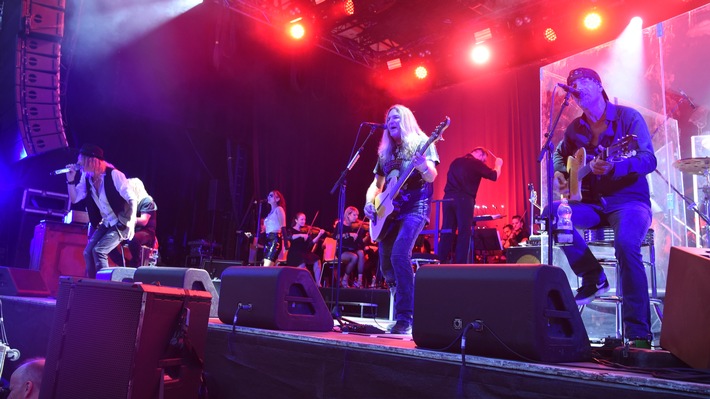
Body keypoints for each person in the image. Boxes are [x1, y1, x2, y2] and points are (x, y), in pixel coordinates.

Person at [550, 67, 656, 347]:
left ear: (598, 85)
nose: (576, 89)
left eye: (582, 82)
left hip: (630, 202)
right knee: (553, 213)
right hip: (593, 206)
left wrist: (615, 167)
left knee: (625, 244)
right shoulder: (575, 129)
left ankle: (638, 333)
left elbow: (648, 160)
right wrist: (563, 175)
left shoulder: (628, 118)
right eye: (572, 85)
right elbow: (560, 158)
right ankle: (593, 276)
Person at [364, 104, 440, 334]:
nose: (391, 120)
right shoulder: (385, 153)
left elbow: (431, 176)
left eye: (396, 116)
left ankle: (406, 318)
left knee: (399, 254)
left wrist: (422, 166)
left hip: (416, 207)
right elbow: (376, 185)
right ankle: (402, 298)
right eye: (388, 117)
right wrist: (370, 203)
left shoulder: (421, 142)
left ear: (405, 119)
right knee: (386, 262)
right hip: (389, 212)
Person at [66, 144, 137, 278]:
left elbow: (132, 199)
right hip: (107, 222)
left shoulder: (114, 175)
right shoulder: (86, 177)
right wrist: (70, 181)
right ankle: (93, 286)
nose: (79, 163)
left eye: (81, 160)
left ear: (91, 161)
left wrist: (131, 224)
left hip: (122, 221)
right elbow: (75, 199)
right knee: (88, 252)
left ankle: (104, 287)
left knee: (99, 251)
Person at [438, 147, 503, 264]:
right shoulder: (475, 163)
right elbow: (494, 176)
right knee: (464, 232)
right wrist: (498, 165)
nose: (483, 163)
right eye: (484, 160)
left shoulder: (455, 161)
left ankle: (440, 262)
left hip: (447, 199)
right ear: (479, 154)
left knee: (447, 230)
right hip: (464, 200)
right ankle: (460, 265)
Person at [109, 178, 158, 267]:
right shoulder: (129, 203)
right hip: (132, 231)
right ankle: (125, 264)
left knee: (133, 239)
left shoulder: (147, 201)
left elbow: (144, 221)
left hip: (147, 233)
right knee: (109, 241)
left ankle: (136, 264)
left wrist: (129, 220)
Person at [287, 212, 326, 285]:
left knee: (317, 260)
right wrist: (301, 235)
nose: (304, 221)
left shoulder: (306, 231)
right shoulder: (291, 230)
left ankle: (318, 283)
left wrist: (319, 235)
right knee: (305, 271)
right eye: (301, 219)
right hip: (295, 254)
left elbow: (311, 244)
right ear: (296, 220)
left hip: (304, 253)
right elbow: (289, 237)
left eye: (304, 219)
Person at [334, 206, 367, 288]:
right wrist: (349, 234)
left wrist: (368, 236)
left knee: (361, 253)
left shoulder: (356, 227)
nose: (356, 217)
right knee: (354, 257)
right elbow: (335, 236)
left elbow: (360, 242)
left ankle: (360, 281)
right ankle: (344, 279)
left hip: (353, 249)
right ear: (348, 215)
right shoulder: (340, 224)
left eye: (357, 215)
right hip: (343, 250)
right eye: (354, 215)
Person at [262, 190, 287, 267]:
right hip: (267, 239)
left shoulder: (279, 209)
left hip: (274, 239)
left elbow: (283, 226)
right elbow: (265, 230)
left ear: (277, 199)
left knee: (266, 266)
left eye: (271, 195)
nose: (268, 197)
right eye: (268, 195)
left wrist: (286, 243)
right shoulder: (269, 213)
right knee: (268, 266)